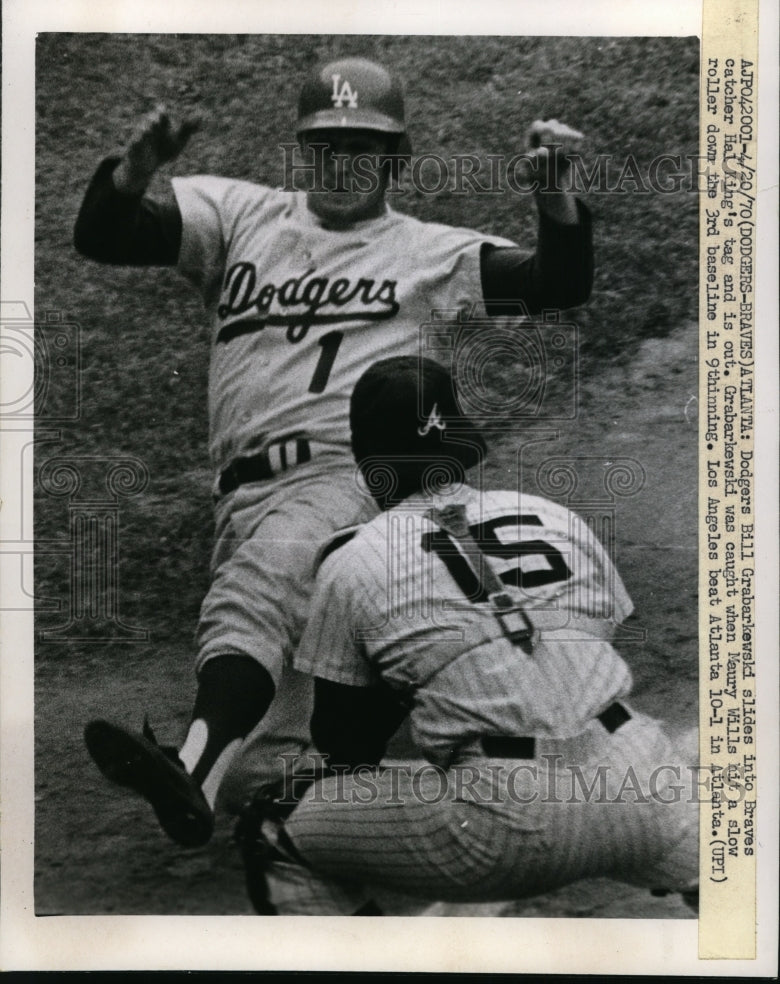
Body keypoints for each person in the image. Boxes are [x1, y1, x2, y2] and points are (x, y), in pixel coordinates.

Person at [77, 56, 593, 852]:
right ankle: (424, 794)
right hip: (246, 500)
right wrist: (135, 169)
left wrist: (553, 193)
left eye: (364, 147)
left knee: (255, 596)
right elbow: (104, 236)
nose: (343, 163)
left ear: (395, 156)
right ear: (303, 153)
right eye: (326, 148)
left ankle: (191, 763)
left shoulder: (429, 252)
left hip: (355, 483)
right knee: (275, 770)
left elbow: (558, 281)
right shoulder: (241, 217)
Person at [236, 355, 699, 915]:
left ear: (365, 461)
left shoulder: (353, 561)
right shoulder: (555, 517)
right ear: (459, 442)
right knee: (735, 885)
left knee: (272, 820)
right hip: (643, 787)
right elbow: (578, 649)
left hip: (504, 830)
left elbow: (347, 749)